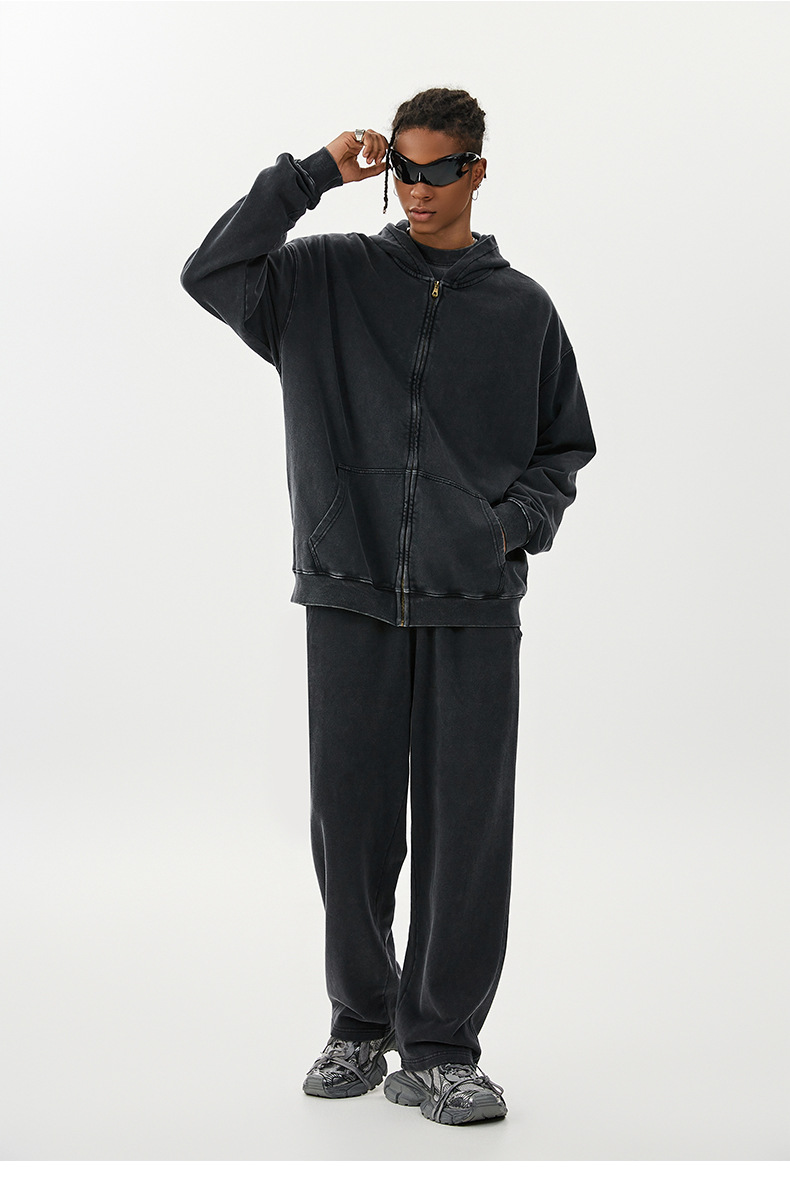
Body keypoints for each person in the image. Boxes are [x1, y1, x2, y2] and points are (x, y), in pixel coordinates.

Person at [180, 86, 596, 1126]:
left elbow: (564, 446)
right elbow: (211, 270)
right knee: (352, 826)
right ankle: (360, 1024)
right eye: (404, 169)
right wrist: (314, 174)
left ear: (477, 171)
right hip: (348, 587)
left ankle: (442, 1048)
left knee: (466, 835)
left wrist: (506, 528)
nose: (417, 189)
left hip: (472, 601)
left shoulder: (523, 309)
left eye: (438, 170)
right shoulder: (324, 280)